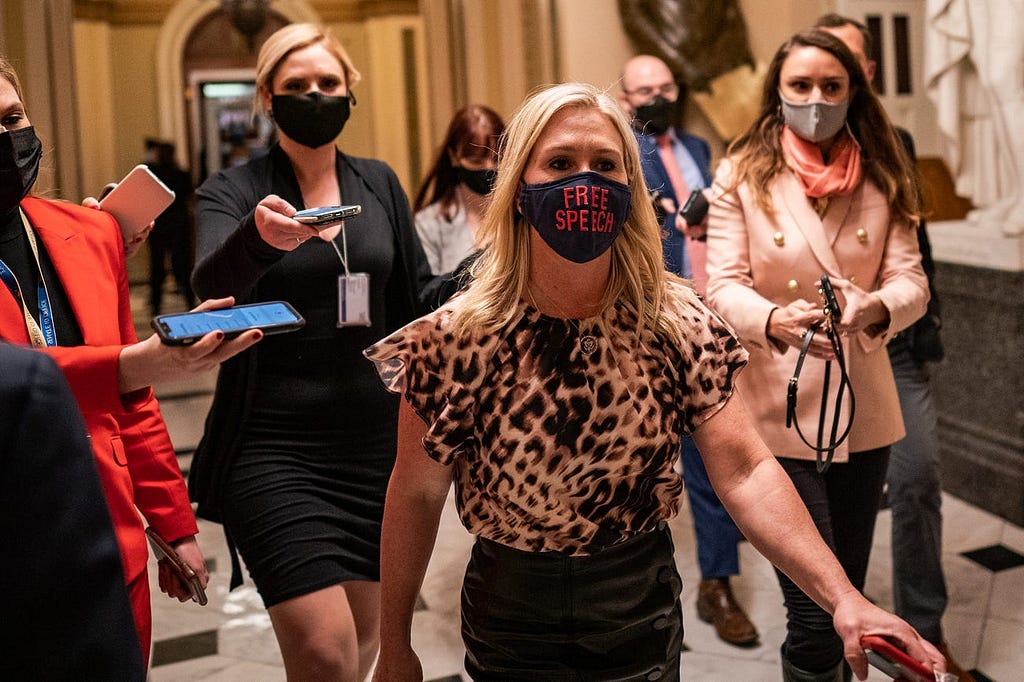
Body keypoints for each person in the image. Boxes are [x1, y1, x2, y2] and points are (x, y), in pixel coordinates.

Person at [365, 81, 944, 681]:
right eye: (560, 163)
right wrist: (395, 642)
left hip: (636, 605)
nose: (584, 181)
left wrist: (842, 596)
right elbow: (416, 492)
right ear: (518, 191)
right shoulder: (457, 336)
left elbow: (745, 470)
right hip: (511, 611)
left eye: (605, 165)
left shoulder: (676, 321)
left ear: (630, 189)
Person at [187, 23, 433, 681]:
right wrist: (261, 241)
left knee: (358, 648)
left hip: (376, 451)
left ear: (351, 90)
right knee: (323, 649)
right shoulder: (233, 192)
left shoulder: (378, 183)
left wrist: (496, 264)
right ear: (267, 97)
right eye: (297, 86)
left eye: (328, 83)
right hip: (273, 450)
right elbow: (211, 283)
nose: (316, 95)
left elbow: (419, 298)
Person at [0, 55, 260, 670]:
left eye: (12, 118)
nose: (6, 140)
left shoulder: (88, 233)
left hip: (107, 536)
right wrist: (132, 363)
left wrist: (174, 525)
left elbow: (134, 402)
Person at [704, 30, 932, 681]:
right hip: (777, 408)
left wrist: (875, 307)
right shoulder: (742, 174)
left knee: (848, 592)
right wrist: (775, 318)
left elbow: (913, 280)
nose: (815, 100)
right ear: (777, 91)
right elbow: (720, 286)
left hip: (862, 406)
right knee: (813, 611)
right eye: (800, 86)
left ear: (854, 91)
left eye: (832, 87)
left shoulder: (884, 172)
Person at [815, 14, 971, 681]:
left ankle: (921, 643)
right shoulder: (779, 148)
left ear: (867, 75)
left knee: (917, 479)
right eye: (821, 74)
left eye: (847, 70)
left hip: (892, 344)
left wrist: (902, 312)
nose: (833, 89)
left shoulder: (896, 143)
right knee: (825, 507)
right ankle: (825, 637)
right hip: (816, 356)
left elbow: (917, 255)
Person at [619, 54, 759, 648]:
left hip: (719, 315)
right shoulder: (624, 151)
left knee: (722, 455)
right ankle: (711, 585)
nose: (657, 97)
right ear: (626, 99)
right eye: (644, 90)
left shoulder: (700, 147)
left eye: (665, 87)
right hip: (659, 323)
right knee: (696, 463)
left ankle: (716, 572)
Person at [0, 341, 145, 681]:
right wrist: (136, 364)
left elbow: (141, 414)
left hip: (116, 518)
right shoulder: (21, 383)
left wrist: (174, 522)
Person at [413, 104, 505, 275]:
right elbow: (427, 294)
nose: (489, 168)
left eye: (497, 159)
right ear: (453, 157)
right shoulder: (429, 224)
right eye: (476, 161)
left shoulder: (524, 212)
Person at [145, 139, 196, 315]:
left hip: (158, 225)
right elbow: (189, 197)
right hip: (179, 225)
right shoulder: (181, 174)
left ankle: (156, 306)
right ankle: (190, 302)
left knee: (157, 267)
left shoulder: (153, 173)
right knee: (182, 267)